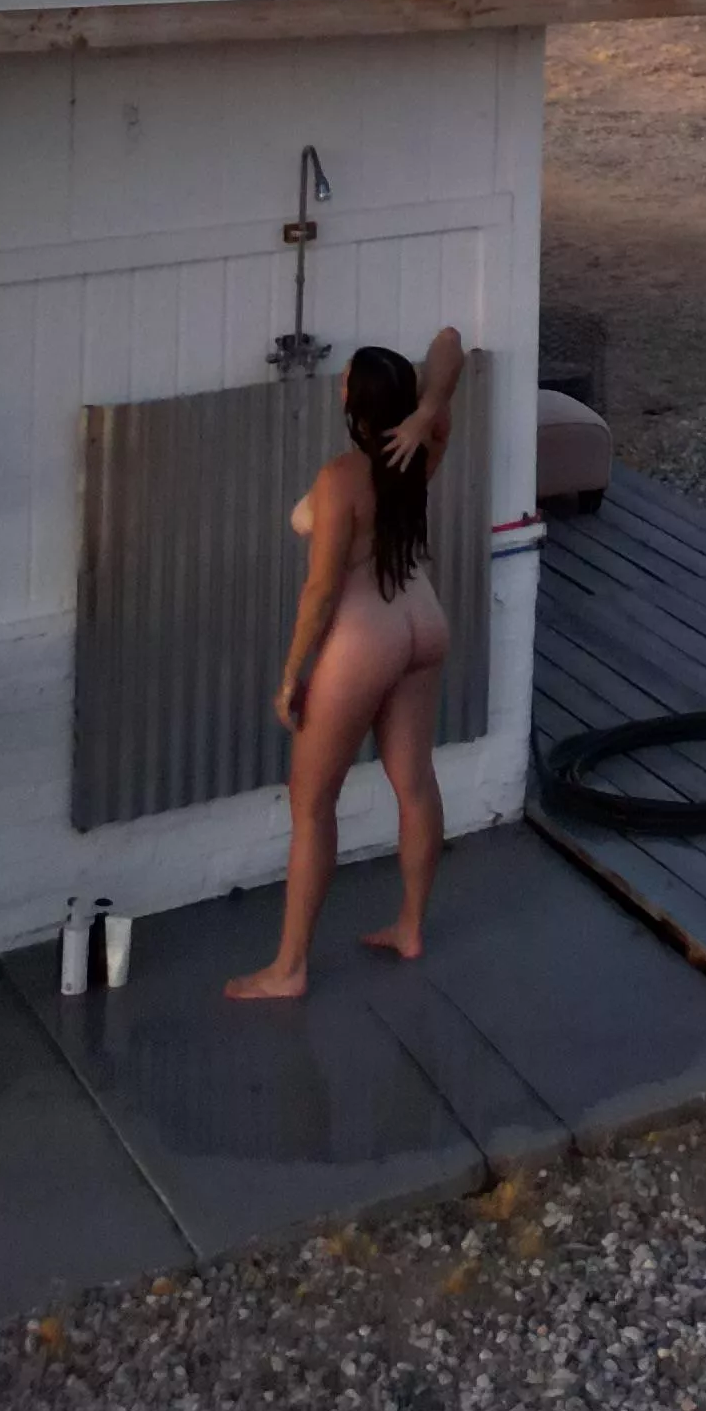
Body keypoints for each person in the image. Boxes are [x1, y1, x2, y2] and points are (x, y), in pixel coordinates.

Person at [226, 326, 463, 1003]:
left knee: (312, 804)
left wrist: (291, 672)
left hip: (367, 634)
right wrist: (428, 413)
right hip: (423, 618)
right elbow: (451, 344)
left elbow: (322, 589)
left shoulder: (341, 478)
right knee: (414, 783)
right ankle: (411, 927)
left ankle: (289, 968)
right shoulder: (423, 448)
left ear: (354, 405)